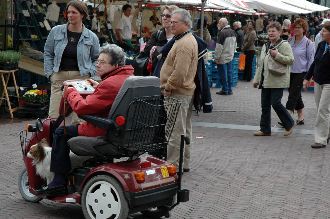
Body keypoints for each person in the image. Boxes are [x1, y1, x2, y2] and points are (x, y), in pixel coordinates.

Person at [44, 44, 134, 191]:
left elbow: (82, 108)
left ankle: (59, 181)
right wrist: (99, 85)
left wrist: (71, 91)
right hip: (123, 130)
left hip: (105, 130)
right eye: (97, 61)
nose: (97, 65)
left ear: (116, 65)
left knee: (60, 132)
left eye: (102, 62)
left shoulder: (110, 84)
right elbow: (109, 95)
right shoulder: (128, 78)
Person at [44, 0, 100, 122]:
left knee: (79, 119)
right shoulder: (56, 31)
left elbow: (97, 59)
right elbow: (48, 53)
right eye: (68, 12)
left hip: (81, 78)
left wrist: (90, 73)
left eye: (74, 12)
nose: (70, 15)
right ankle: (51, 140)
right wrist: (50, 74)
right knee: (54, 117)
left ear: (82, 15)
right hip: (59, 76)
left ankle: (75, 141)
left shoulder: (91, 37)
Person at [160, 8, 198, 172]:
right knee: (183, 129)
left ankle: (173, 166)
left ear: (185, 24)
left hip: (177, 93)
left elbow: (180, 73)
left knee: (174, 132)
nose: (171, 24)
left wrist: (168, 87)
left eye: (175, 22)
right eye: (171, 21)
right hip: (183, 93)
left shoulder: (184, 43)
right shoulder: (185, 39)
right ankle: (183, 163)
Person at [253, 22, 295, 137]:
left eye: (273, 31)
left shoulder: (284, 45)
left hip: (278, 79)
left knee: (275, 103)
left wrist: (277, 55)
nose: (271, 33)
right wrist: (256, 79)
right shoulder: (265, 45)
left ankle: (289, 123)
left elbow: (291, 60)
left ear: (279, 32)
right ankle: (265, 129)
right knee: (265, 105)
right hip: (266, 79)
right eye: (269, 31)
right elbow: (261, 64)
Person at [303, 21, 330, 149]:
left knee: (322, 110)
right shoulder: (321, 44)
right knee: (322, 109)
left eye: (324, 30)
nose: (321, 33)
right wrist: (307, 78)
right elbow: (315, 63)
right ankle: (327, 132)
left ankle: (321, 139)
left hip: (329, 83)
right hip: (318, 81)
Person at [285, 18, 314, 126]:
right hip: (289, 71)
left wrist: (309, 77)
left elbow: (311, 60)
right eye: (295, 27)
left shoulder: (308, 43)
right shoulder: (290, 40)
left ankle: (286, 117)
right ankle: (301, 116)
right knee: (295, 94)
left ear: (304, 29)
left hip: (301, 72)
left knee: (293, 94)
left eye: (299, 27)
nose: (296, 29)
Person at [141, 5, 178, 76]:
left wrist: (157, 49)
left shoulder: (179, 36)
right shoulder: (157, 34)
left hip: (172, 76)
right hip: (156, 74)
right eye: (163, 15)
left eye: (168, 16)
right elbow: (147, 49)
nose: (164, 18)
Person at [214, 17, 236, 95]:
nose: (218, 24)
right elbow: (234, 45)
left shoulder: (222, 33)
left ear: (223, 24)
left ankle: (225, 90)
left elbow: (219, 47)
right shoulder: (233, 32)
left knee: (223, 74)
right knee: (229, 74)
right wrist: (232, 54)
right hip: (230, 56)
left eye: (219, 23)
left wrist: (216, 58)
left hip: (222, 57)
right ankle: (229, 90)